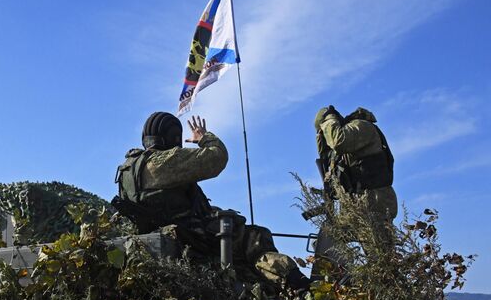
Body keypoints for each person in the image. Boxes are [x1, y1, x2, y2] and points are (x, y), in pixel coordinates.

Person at [113, 111, 310, 290]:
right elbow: (217, 157)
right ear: (172, 138)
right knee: (255, 237)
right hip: (189, 237)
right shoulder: (163, 161)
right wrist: (203, 138)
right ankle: (298, 286)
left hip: (160, 234)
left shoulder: (127, 170)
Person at [313, 106, 397, 275]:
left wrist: (327, 119)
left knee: (382, 262)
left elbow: (338, 141)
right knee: (327, 240)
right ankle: (342, 285)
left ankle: (395, 297)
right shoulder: (344, 152)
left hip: (374, 204)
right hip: (355, 208)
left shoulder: (362, 127)